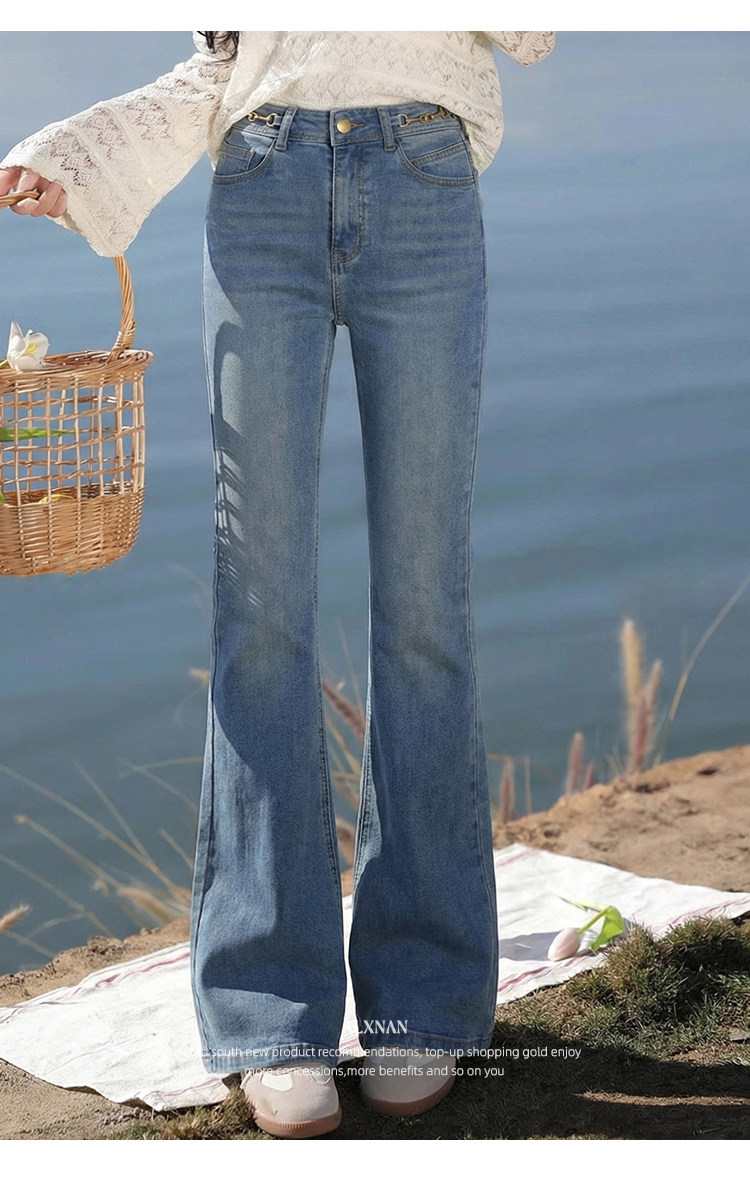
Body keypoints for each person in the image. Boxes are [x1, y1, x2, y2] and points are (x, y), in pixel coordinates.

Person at [0, 30, 555, 1138]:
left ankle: (422, 997)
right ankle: (269, 1015)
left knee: (425, 612)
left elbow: (529, 33)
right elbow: (228, 63)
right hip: (260, 187)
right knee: (259, 616)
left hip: (425, 184)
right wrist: (80, 151)